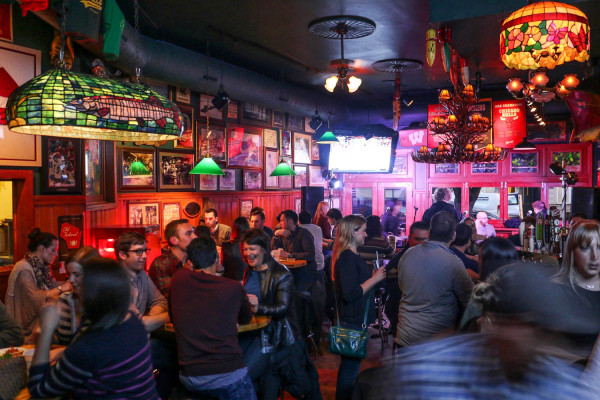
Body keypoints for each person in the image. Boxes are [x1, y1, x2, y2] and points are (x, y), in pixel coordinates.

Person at [353, 263, 599, 400]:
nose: (540, 342)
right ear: (498, 323)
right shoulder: (428, 374)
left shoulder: (559, 385)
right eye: (531, 327)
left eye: (547, 332)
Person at [28, 257, 160, 399]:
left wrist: (45, 329)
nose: (75, 290)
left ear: (92, 295)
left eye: (80, 286)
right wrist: (64, 351)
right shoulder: (131, 322)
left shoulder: (89, 347)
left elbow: (39, 389)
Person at [170, 237, 255, 400]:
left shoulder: (178, 280)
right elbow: (246, 319)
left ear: (190, 262)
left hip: (190, 377)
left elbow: (173, 318)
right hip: (227, 375)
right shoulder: (233, 287)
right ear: (217, 259)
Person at [396, 212, 473, 347]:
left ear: (430, 232)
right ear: (454, 235)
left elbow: (402, 286)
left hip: (405, 336)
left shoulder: (408, 254)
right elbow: (469, 299)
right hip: (436, 342)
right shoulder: (452, 262)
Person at [333, 214, 386, 400]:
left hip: (355, 319)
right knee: (350, 369)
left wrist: (371, 277)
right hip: (352, 320)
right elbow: (350, 293)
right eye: (363, 231)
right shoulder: (347, 258)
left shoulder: (351, 256)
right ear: (352, 232)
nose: (366, 235)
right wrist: (374, 279)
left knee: (351, 367)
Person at [115, 232, 173, 399]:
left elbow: (160, 301)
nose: (144, 256)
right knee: (169, 356)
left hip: (138, 340)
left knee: (174, 351)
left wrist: (147, 319)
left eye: (145, 251)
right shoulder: (115, 281)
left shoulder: (141, 275)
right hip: (120, 347)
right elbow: (136, 325)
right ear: (122, 254)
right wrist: (170, 316)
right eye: (138, 252)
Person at [240, 230, 295, 389]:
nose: (248, 253)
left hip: (270, 335)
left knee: (242, 377)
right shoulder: (249, 269)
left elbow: (283, 308)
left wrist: (259, 307)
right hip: (247, 330)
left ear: (264, 249)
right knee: (228, 369)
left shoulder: (281, 273)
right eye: (245, 249)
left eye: (252, 249)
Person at [5, 228, 72, 343]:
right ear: (42, 248)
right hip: (22, 328)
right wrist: (62, 288)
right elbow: (34, 298)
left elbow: (51, 285)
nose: (56, 254)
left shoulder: (42, 266)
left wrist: (71, 283)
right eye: (53, 250)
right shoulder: (23, 268)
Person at [551, 220, 600, 359]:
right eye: (585, 248)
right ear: (572, 251)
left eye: (599, 247)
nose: (595, 256)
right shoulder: (556, 291)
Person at [458, 237, 518, 330]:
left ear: (489, 262)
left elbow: (465, 328)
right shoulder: (520, 289)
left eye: (480, 257)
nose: (478, 261)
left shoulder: (484, 294)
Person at [384, 221, 429, 338]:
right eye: (417, 239)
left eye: (425, 240)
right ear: (409, 238)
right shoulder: (398, 260)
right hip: (404, 314)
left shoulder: (433, 257)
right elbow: (392, 289)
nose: (421, 243)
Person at [56, 246, 100, 346]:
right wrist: (45, 330)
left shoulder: (102, 304)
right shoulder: (64, 300)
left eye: (76, 275)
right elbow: (57, 339)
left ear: (93, 274)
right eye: (69, 274)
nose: (71, 280)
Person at [149, 219, 197, 299]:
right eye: (188, 234)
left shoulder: (193, 258)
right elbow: (169, 298)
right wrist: (184, 275)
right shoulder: (161, 264)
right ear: (174, 240)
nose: (195, 237)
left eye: (194, 232)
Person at [271, 210, 317, 291]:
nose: (279, 223)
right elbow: (273, 250)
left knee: (295, 292)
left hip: (305, 272)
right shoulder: (282, 233)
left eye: (282, 220)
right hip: (290, 271)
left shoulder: (303, 233)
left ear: (290, 221)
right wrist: (276, 235)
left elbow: (310, 255)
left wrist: (289, 255)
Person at [222, 216, 251, 281]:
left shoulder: (226, 245)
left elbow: (224, 267)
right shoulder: (251, 244)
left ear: (234, 229)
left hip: (231, 281)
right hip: (248, 281)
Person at [298, 210, 325, 277]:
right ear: (311, 219)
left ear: (299, 220)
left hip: (305, 266)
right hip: (320, 264)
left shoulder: (298, 229)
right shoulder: (318, 228)